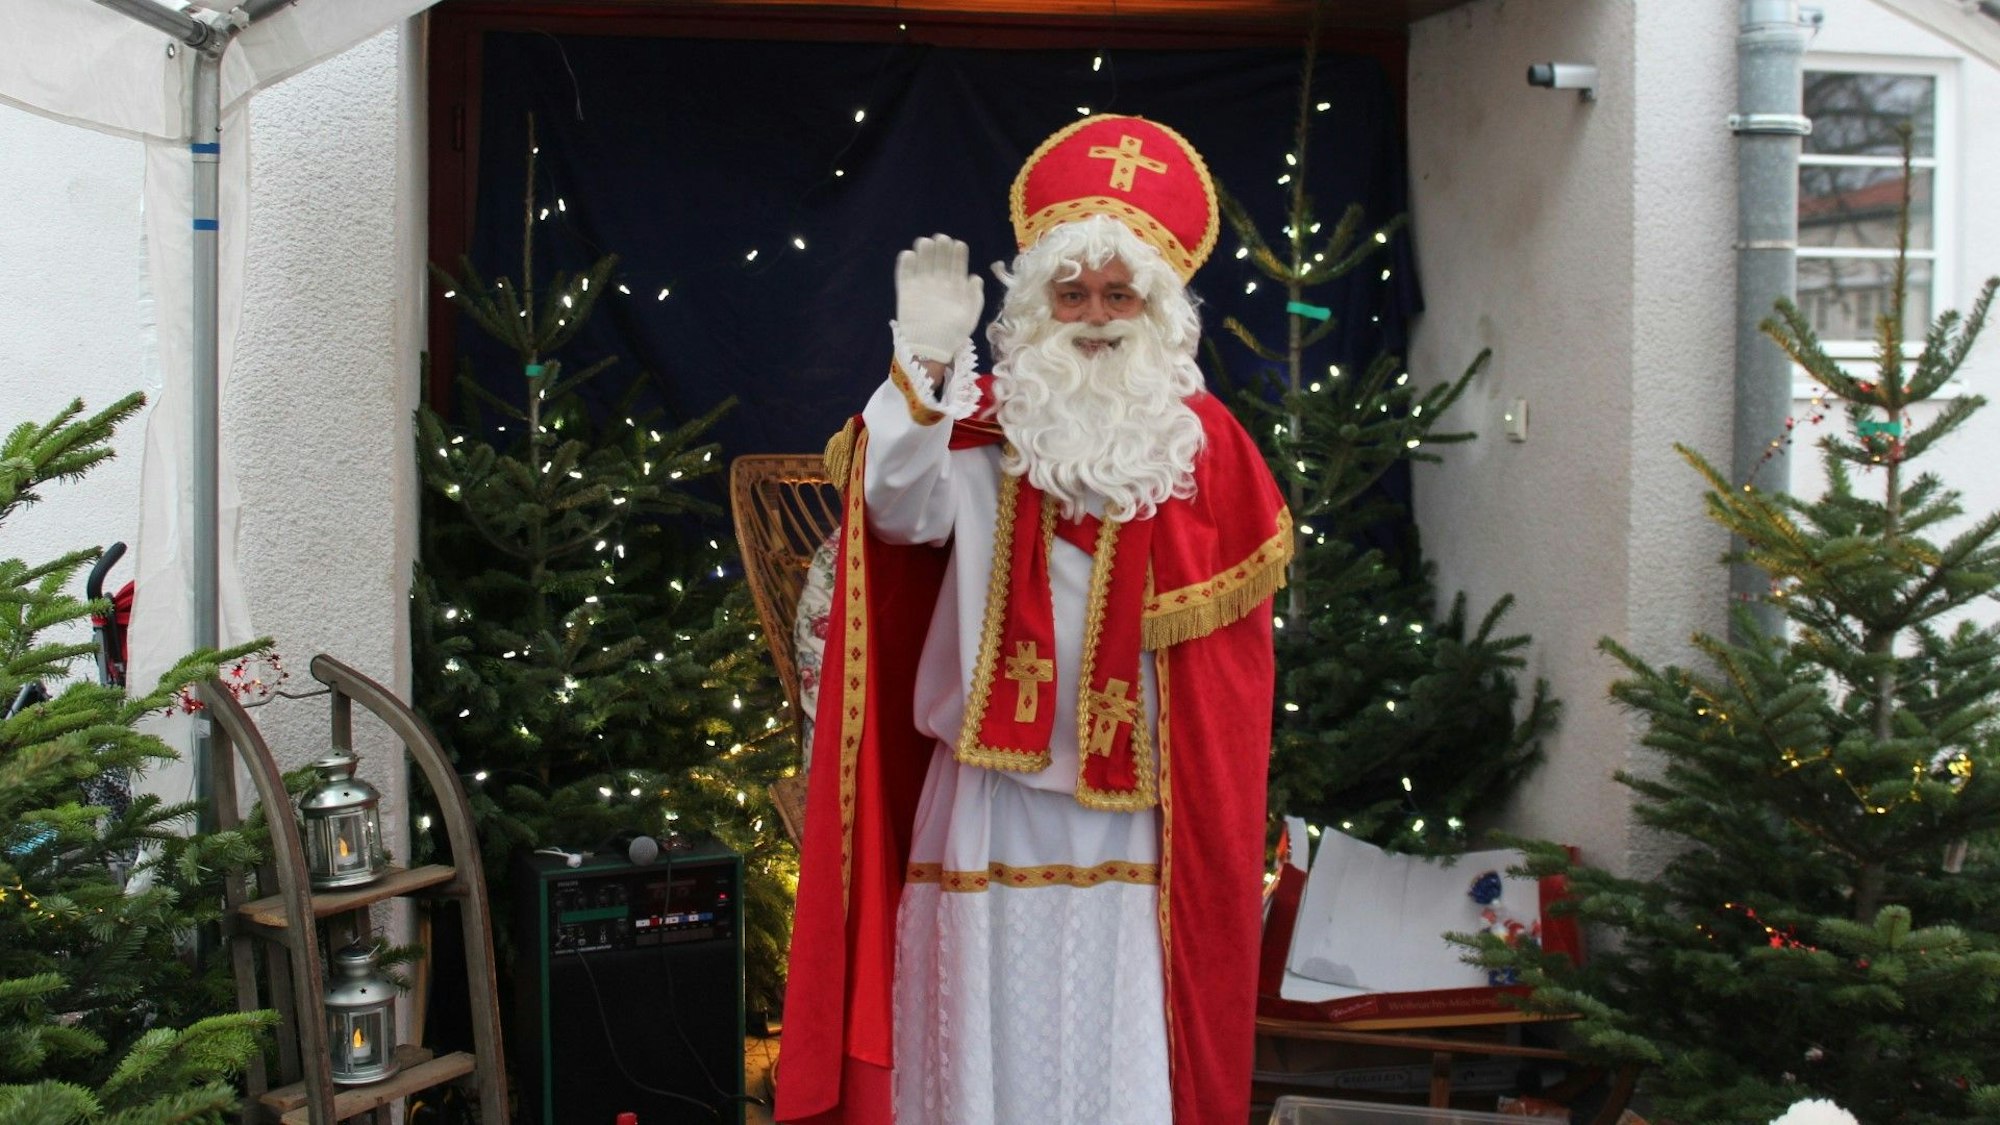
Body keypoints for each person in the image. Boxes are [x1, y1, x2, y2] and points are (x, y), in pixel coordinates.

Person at [777, 115, 1290, 1125]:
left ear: (1155, 309)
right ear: (1036, 305)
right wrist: (927, 366)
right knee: (987, 1024)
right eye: (1072, 293)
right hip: (988, 794)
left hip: (1134, 809)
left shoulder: (1201, 450)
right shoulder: (976, 425)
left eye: (1117, 295)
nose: (1094, 317)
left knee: (1114, 1027)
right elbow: (893, 511)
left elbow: (1226, 681)